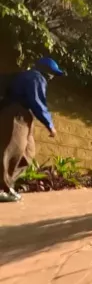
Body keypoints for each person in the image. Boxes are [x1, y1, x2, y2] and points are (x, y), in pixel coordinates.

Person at [0, 57, 64, 203]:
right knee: (12, 150)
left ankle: (7, 185)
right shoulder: (36, 77)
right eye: (52, 73)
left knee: (28, 153)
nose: (52, 77)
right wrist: (49, 124)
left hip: (24, 116)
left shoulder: (33, 76)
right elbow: (37, 102)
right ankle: (1, 188)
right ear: (47, 72)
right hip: (15, 114)